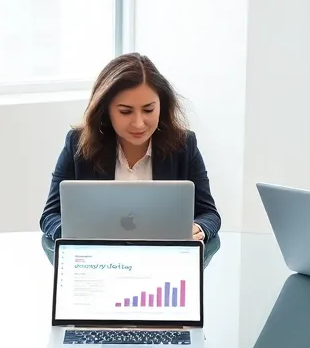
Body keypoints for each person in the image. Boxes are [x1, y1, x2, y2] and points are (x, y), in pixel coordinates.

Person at [39, 52, 220, 241]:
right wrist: (74, 235)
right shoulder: (78, 144)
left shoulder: (184, 145)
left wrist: (198, 228)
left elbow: (209, 214)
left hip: (163, 255)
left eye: (149, 109)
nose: (139, 124)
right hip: (100, 254)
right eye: (125, 112)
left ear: (162, 105)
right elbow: (50, 216)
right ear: (106, 109)